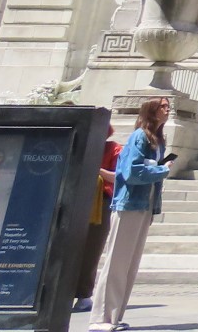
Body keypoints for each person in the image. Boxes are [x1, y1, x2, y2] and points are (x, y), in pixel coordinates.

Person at [89, 98, 171, 332]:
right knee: (116, 261)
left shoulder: (158, 141)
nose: (167, 110)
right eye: (163, 107)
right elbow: (131, 171)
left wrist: (159, 169)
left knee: (130, 264)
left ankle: (114, 316)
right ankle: (100, 318)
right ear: (151, 111)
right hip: (129, 204)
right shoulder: (139, 137)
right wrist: (161, 170)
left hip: (145, 205)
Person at [73, 124, 121, 313]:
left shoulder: (113, 149)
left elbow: (118, 177)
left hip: (100, 203)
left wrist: (97, 170)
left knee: (91, 250)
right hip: (75, 200)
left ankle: (84, 294)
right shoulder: (77, 147)